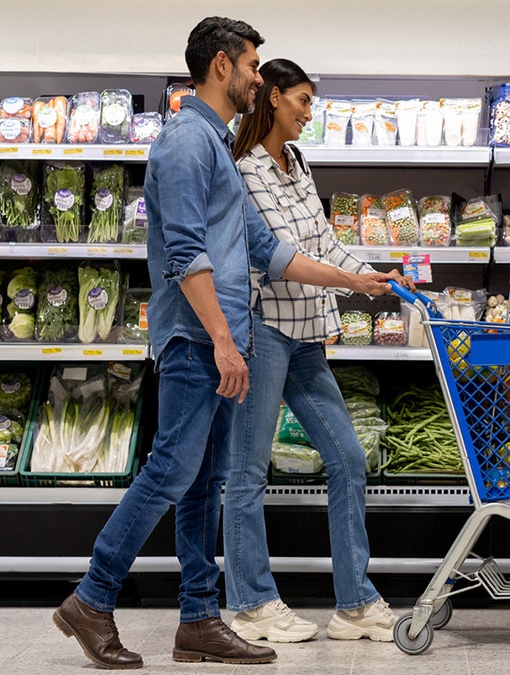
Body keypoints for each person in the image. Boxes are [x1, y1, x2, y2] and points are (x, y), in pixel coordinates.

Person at [51, 17, 395, 669]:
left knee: (204, 480)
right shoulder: (186, 141)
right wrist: (222, 339)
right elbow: (185, 253)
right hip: (194, 339)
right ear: (219, 66)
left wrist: (353, 279)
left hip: (223, 338)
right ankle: (92, 597)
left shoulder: (219, 145)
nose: (258, 78)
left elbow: (264, 248)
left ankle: (199, 618)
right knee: (172, 469)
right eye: (251, 66)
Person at [222, 58, 405, 644]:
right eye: (301, 100)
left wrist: (371, 275)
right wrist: (349, 283)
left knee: (348, 458)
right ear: (273, 98)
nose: (308, 112)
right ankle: (251, 602)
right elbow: (277, 256)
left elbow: (323, 241)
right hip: (264, 330)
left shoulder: (298, 162)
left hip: (305, 337)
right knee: (248, 471)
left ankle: (354, 602)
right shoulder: (246, 169)